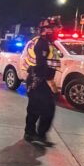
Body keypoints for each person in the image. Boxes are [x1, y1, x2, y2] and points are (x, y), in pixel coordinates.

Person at [24, 17, 62, 146]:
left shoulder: (48, 43)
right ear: (47, 29)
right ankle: (35, 134)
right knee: (45, 109)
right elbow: (41, 67)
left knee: (37, 109)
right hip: (39, 81)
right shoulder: (42, 44)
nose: (57, 30)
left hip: (38, 80)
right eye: (55, 28)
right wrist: (53, 87)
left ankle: (33, 134)